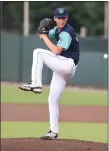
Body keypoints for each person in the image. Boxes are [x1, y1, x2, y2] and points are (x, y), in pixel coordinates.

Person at [19, 7, 80, 140]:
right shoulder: (57, 30)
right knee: (52, 99)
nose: (61, 20)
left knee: (38, 52)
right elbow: (45, 34)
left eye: (63, 18)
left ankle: (36, 83)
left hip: (67, 64)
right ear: (55, 19)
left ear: (67, 18)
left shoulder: (66, 32)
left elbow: (56, 51)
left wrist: (45, 37)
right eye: (59, 18)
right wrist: (43, 32)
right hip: (62, 67)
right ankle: (53, 131)